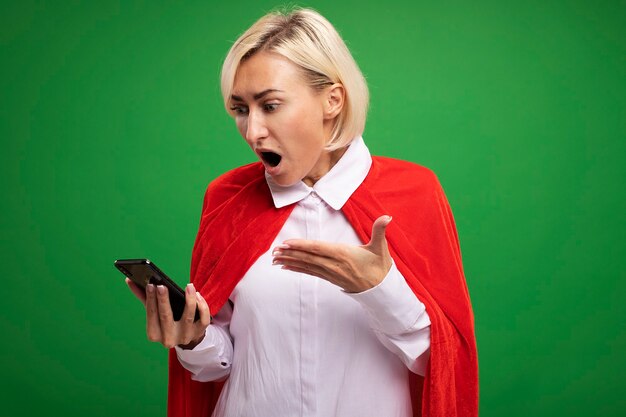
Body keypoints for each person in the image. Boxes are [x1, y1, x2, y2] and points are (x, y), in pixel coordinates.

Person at [126, 7, 478, 417]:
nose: (253, 131)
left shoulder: (414, 192)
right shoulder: (228, 198)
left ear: (332, 99)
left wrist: (379, 289)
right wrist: (192, 340)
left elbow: (440, 366)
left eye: (270, 106)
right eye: (240, 110)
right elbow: (217, 368)